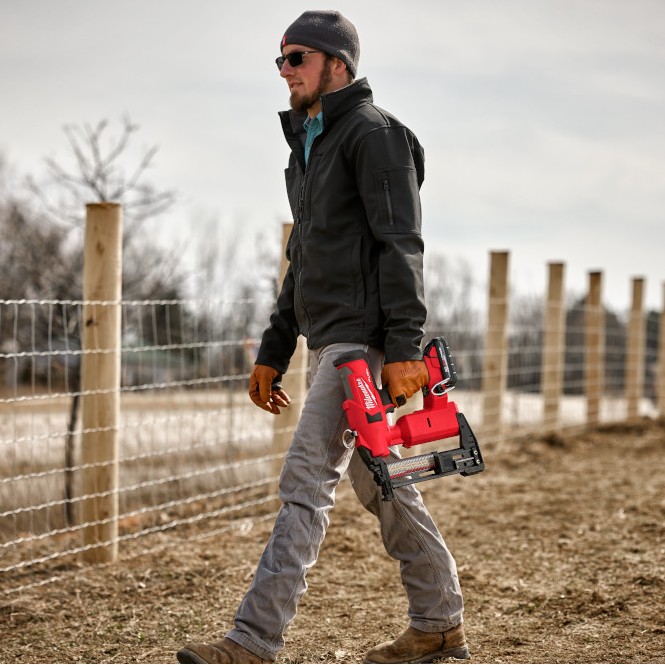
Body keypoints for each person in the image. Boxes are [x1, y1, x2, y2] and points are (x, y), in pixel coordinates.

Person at [177, 10, 469, 664]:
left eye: (296, 57)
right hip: (331, 341)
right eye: (278, 59)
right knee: (384, 486)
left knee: (304, 483)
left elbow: (401, 246)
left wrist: (401, 348)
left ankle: (251, 641)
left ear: (338, 63)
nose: (283, 71)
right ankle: (439, 623)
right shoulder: (308, 145)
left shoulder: (373, 135)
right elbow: (303, 259)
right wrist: (272, 351)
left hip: (360, 348)